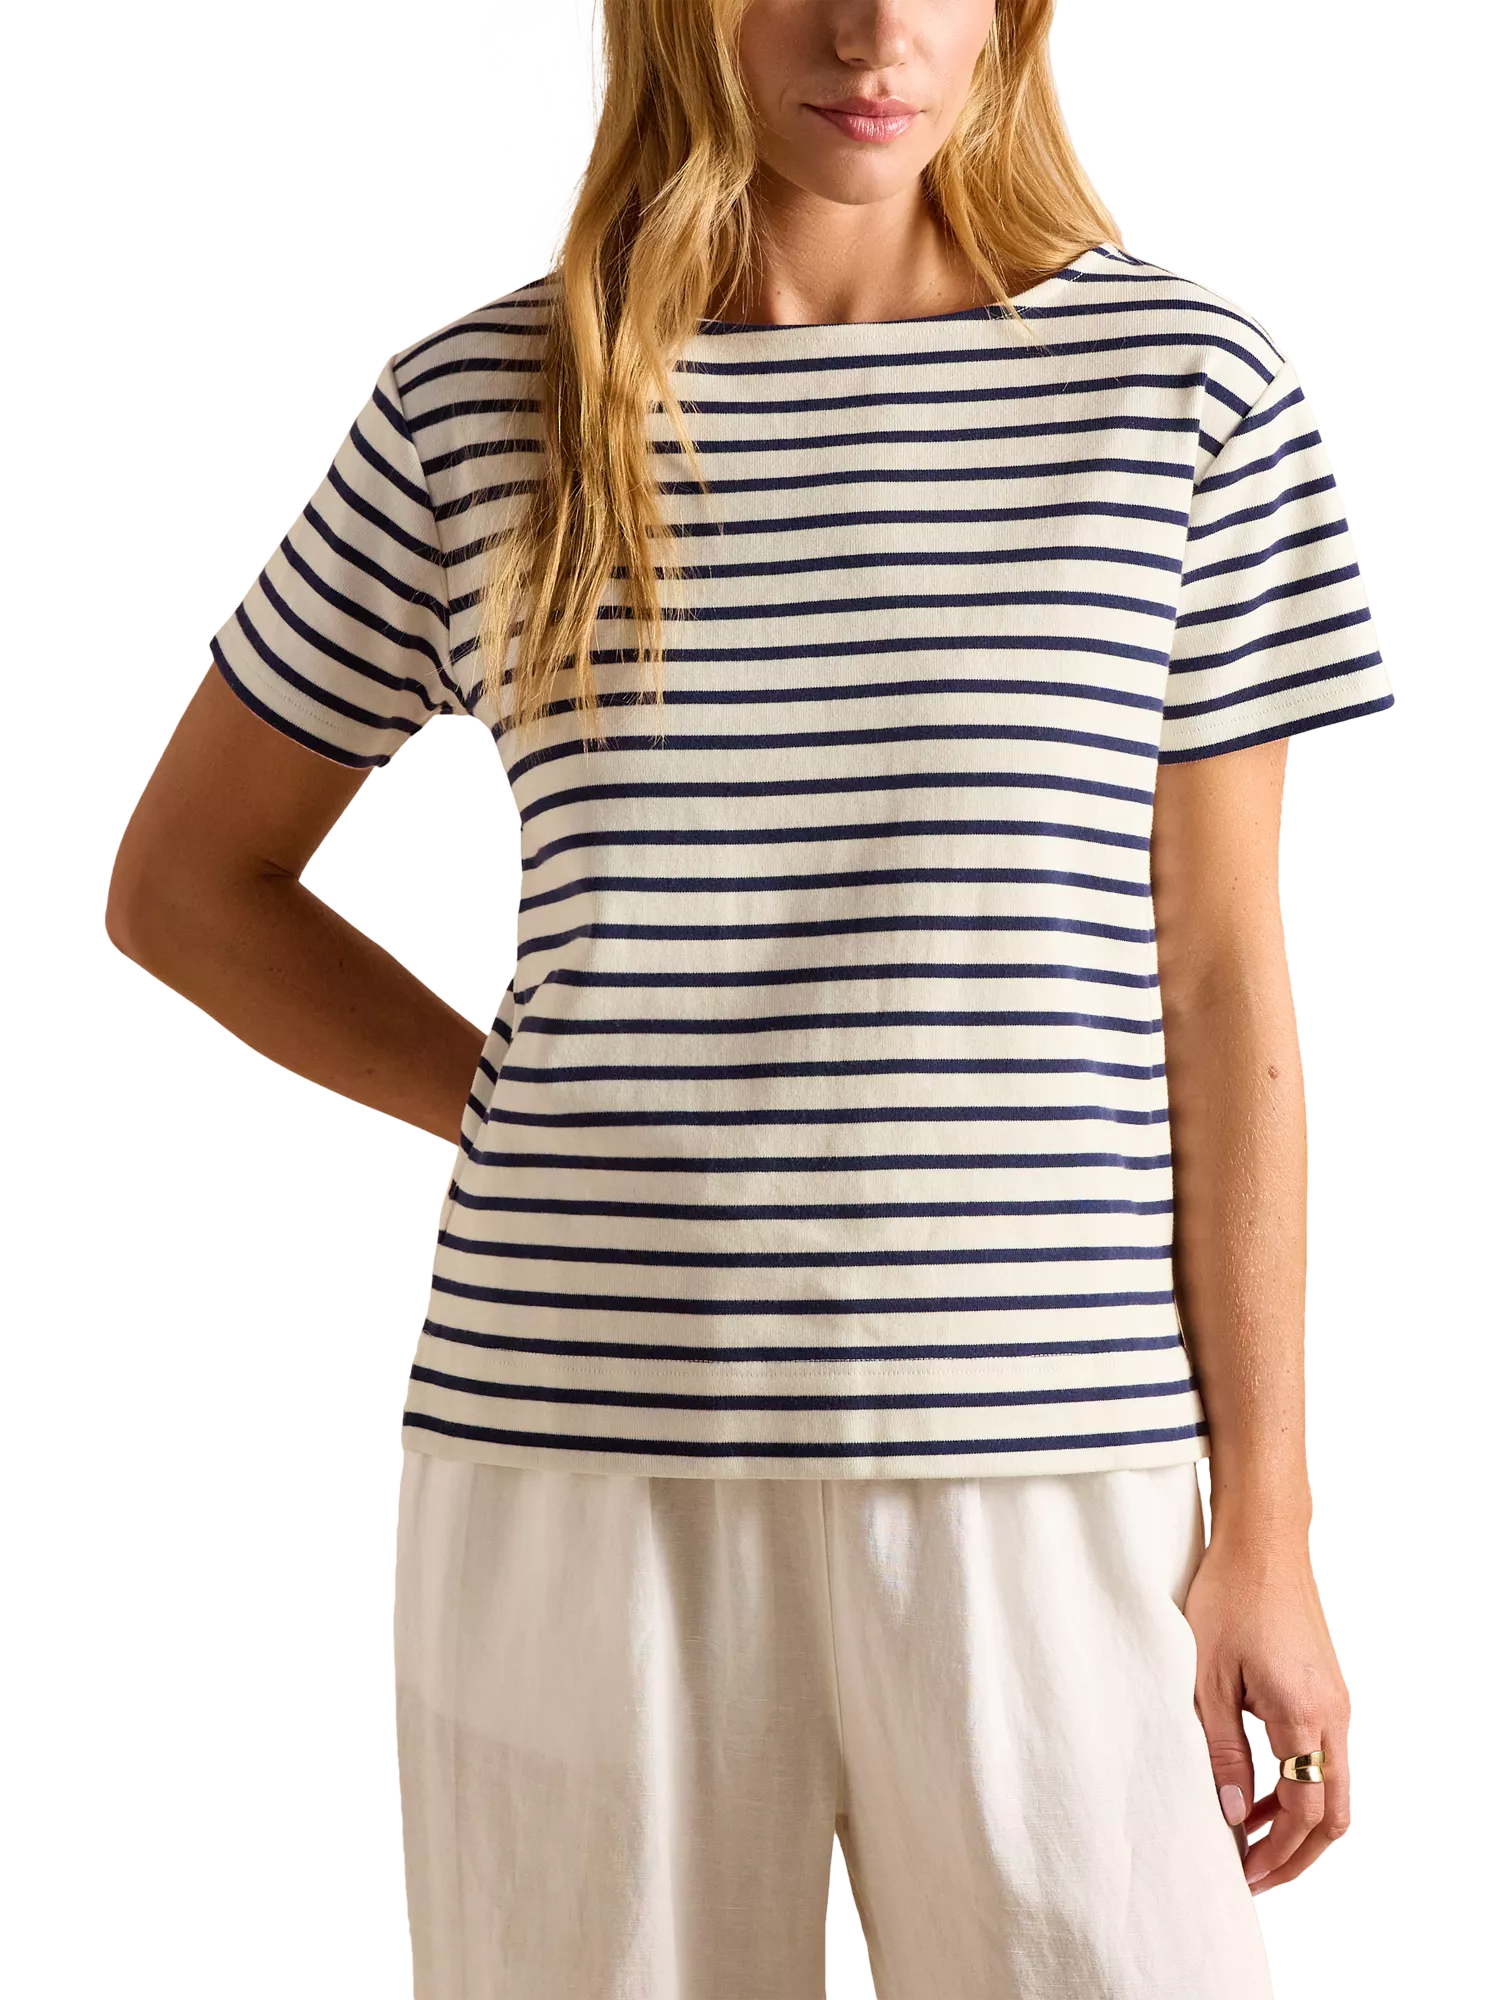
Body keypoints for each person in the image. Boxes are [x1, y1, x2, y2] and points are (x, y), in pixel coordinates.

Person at [105, 2, 1393, 1994]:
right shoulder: (483, 409)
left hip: (1054, 1459)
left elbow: (1226, 984)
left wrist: (1274, 1527)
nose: (871, 33)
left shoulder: (1178, 389)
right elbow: (186, 886)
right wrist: (525, 1111)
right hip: (576, 1460)